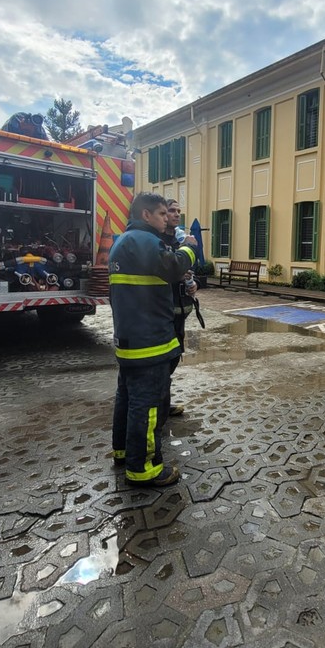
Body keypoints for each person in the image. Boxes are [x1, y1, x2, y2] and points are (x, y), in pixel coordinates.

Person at [109, 192, 197, 487]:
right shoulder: (144, 241)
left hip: (131, 340)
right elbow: (173, 267)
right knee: (147, 407)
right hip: (149, 342)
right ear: (146, 215)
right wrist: (189, 249)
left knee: (128, 400)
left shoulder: (122, 241)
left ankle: (123, 451)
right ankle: (143, 467)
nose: (166, 219)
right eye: (161, 214)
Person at [163, 199, 199, 417]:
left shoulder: (179, 242)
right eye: (171, 211)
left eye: (179, 211)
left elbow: (187, 271)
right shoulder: (157, 242)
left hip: (180, 313)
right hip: (164, 314)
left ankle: (164, 404)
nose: (177, 215)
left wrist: (193, 284)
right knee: (163, 363)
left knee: (173, 358)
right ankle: (159, 406)